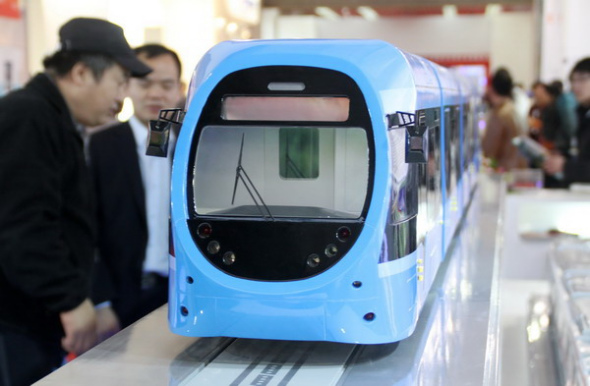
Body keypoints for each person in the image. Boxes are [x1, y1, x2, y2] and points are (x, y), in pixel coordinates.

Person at [0, 17, 151, 386]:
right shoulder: (29, 116)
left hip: (36, 316)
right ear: (82, 73)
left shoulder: (59, 122)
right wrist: (69, 299)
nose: (121, 99)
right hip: (15, 321)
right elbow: (24, 225)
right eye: (119, 82)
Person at [88, 44, 183, 333]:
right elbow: (85, 228)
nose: (155, 94)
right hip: (121, 296)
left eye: (166, 84)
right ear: (127, 85)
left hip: (181, 292)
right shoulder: (100, 144)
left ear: (179, 89)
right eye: (145, 83)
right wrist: (100, 302)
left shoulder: (198, 143)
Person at [544, 58, 590, 184]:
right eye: (573, 80)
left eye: (582, 79)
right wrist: (564, 157)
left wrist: (566, 166)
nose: (576, 86)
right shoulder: (582, 113)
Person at [481, 67, 528, 171]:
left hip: (505, 173)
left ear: (492, 88)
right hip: (519, 170)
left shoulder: (499, 114)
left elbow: (489, 149)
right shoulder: (513, 109)